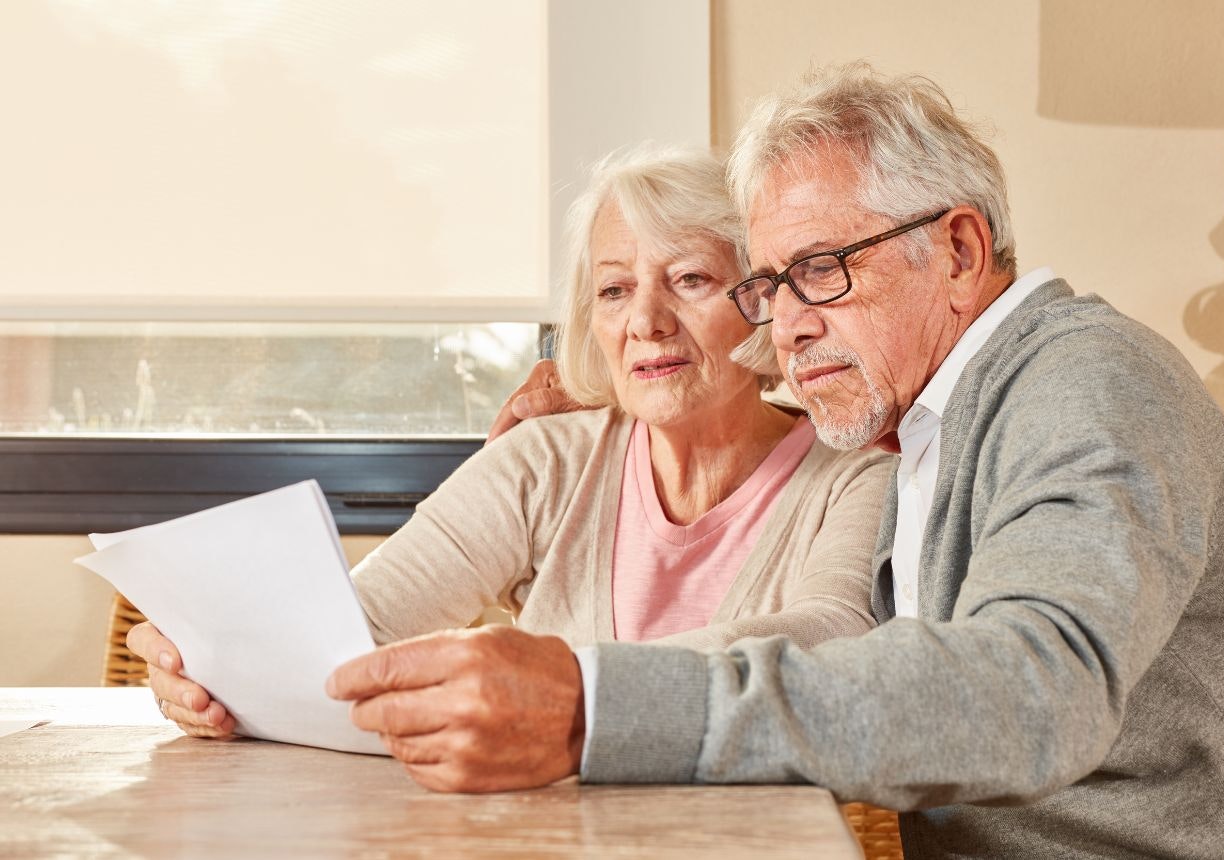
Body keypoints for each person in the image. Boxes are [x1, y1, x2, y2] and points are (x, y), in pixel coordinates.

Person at [325, 64, 1224, 857]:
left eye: (823, 270)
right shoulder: (925, 424)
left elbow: (1034, 694)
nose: (786, 325)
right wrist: (636, 384)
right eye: (769, 285)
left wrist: (597, 704)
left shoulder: (1088, 388)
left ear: (958, 251)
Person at [127, 145, 893, 751]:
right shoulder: (545, 460)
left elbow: (831, 638)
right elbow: (354, 632)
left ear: (760, 300)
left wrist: (563, 684)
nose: (646, 322)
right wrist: (207, 661)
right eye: (615, 289)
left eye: (690, 278)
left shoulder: (853, 474)